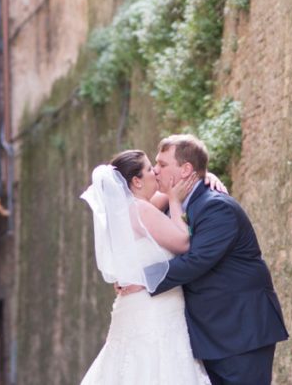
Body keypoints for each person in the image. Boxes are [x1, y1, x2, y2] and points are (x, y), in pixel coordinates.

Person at [134, 134, 289, 385]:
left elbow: (197, 260)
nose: (155, 170)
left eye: (163, 164)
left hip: (240, 332)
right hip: (208, 335)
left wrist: (140, 279)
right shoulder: (169, 206)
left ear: (185, 169)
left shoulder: (216, 207)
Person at [79, 149, 212, 384]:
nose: (156, 172)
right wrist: (173, 199)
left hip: (133, 307)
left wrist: (206, 178)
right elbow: (182, 243)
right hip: (155, 311)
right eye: (150, 169)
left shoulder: (123, 212)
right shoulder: (141, 210)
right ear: (137, 181)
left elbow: (166, 198)